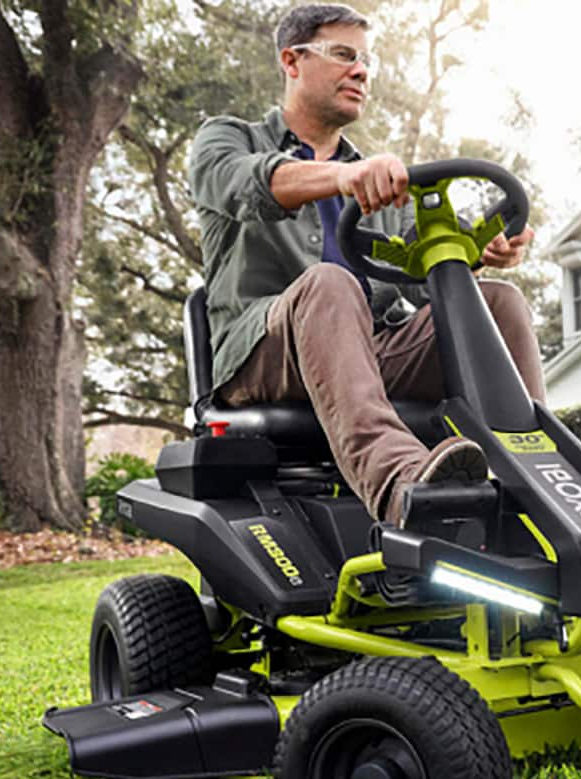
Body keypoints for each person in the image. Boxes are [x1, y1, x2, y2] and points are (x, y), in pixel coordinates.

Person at [188, 3, 543, 524]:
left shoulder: (379, 183)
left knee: (498, 303)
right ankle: (403, 485)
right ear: (291, 61)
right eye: (343, 55)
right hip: (263, 356)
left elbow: (429, 289)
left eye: (366, 61)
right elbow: (246, 184)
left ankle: (541, 481)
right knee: (329, 284)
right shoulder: (226, 138)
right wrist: (338, 177)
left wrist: (475, 256)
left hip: (369, 353)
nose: (361, 71)